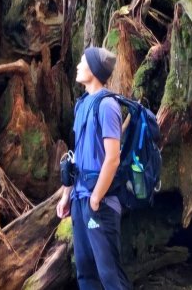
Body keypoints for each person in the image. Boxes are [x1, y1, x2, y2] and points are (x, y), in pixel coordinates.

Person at [56, 47, 131, 290]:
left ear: (95, 70)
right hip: (79, 200)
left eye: (82, 61)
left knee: (110, 277)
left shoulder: (108, 105)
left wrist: (96, 199)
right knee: (86, 276)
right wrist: (67, 194)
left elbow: (112, 158)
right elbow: (77, 153)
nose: (77, 65)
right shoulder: (81, 106)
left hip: (100, 204)